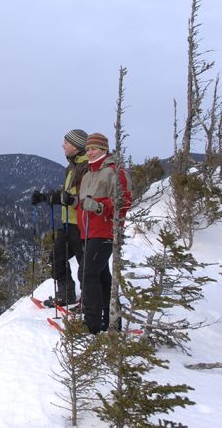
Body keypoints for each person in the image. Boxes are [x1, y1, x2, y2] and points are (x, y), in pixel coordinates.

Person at [75, 132, 131, 333]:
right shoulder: (88, 174)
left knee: (87, 273)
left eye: (94, 149)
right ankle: (109, 320)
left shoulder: (114, 172)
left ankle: (91, 324)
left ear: (104, 150)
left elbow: (124, 201)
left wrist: (99, 207)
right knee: (101, 276)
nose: (90, 152)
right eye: (88, 148)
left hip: (106, 231)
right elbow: (84, 204)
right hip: (89, 231)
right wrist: (71, 202)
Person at [31, 129, 89, 307]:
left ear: (76, 146)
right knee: (56, 256)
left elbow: (82, 196)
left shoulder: (86, 167)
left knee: (85, 264)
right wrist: (47, 197)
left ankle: (90, 301)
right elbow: (67, 193)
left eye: (66, 142)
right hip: (68, 222)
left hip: (80, 223)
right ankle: (66, 292)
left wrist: (60, 199)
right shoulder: (72, 167)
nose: (63, 145)